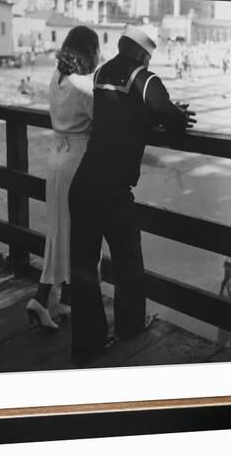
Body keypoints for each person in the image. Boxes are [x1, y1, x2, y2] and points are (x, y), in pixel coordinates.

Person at [69, 25, 196, 363]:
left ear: (122, 45)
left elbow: (122, 112)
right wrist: (177, 113)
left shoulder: (101, 74)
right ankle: (130, 328)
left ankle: (88, 344)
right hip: (113, 191)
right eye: (148, 55)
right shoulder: (146, 79)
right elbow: (169, 116)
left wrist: (156, 113)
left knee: (83, 268)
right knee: (128, 262)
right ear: (143, 54)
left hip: (82, 185)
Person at [26, 26, 100, 329]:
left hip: (56, 159)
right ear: (89, 52)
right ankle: (44, 297)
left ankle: (63, 300)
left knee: (58, 232)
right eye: (97, 49)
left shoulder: (57, 80)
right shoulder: (85, 86)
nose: (100, 55)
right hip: (77, 161)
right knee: (81, 236)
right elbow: (104, 121)